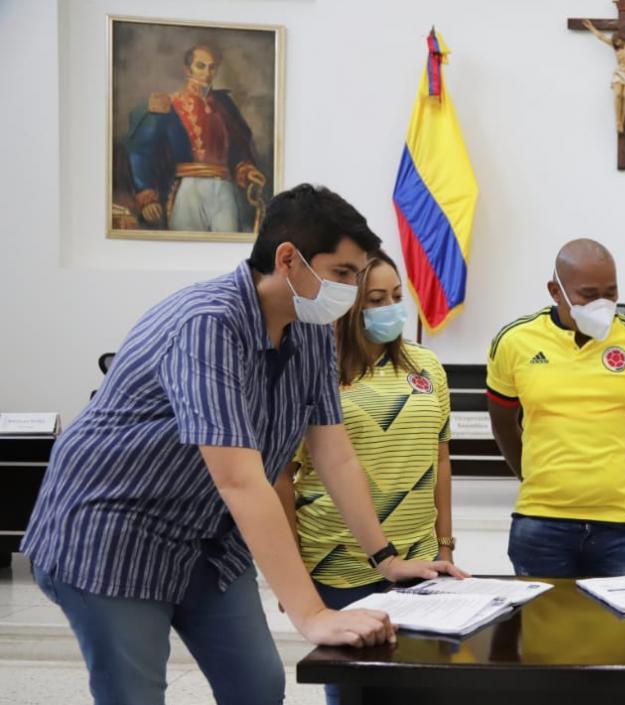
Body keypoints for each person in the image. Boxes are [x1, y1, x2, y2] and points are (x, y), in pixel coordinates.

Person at [21, 184, 462, 705]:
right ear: (288, 259)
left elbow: (333, 452)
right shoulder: (208, 322)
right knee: (133, 693)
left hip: (205, 538)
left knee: (257, 684)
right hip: (114, 532)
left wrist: (384, 559)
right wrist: (311, 612)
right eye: (343, 273)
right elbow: (240, 479)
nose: (350, 288)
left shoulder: (310, 328)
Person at [274, 250, 467, 705]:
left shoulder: (426, 367)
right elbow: (281, 476)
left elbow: (441, 459)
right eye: (375, 299)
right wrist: (293, 573)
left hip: (418, 561)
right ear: (348, 307)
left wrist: (444, 544)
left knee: (418, 685)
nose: (390, 308)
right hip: (338, 563)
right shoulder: (313, 371)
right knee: (354, 691)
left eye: (397, 296)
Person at [486, 238, 625, 578]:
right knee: (541, 629)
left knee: (617, 630)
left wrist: (612, 469)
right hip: (540, 521)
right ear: (556, 291)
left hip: (621, 525)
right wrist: (534, 474)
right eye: (588, 294)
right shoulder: (514, 342)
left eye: (610, 293)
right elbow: (502, 424)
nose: (602, 303)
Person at [125, 44, 266, 232]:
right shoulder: (168, 104)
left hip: (224, 189)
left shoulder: (225, 105)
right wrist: (147, 194)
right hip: (188, 190)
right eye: (201, 66)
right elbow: (142, 150)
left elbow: (239, 144)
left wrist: (246, 169)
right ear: (187, 69)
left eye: (212, 67)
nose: (207, 73)